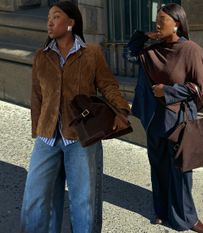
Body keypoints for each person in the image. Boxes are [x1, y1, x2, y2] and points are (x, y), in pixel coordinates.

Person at [20, 1, 130, 232]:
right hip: (47, 137)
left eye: (56, 17)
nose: (49, 21)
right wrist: (37, 130)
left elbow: (108, 85)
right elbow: (37, 95)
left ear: (71, 23)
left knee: (83, 202)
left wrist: (120, 110)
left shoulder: (91, 53)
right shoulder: (41, 56)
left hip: (81, 137)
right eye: (48, 17)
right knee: (35, 198)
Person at [126, 3, 203, 233]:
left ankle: (188, 217)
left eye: (163, 18)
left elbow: (201, 87)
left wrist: (168, 91)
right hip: (155, 120)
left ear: (176, 23)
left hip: (180, 120)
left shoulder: (191, 50)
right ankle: (162, 211)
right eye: (157, 17)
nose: (157, 22)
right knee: (158, 167)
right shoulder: (152, 50)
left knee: (182, 171)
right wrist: (144, 35)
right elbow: (130, 52)